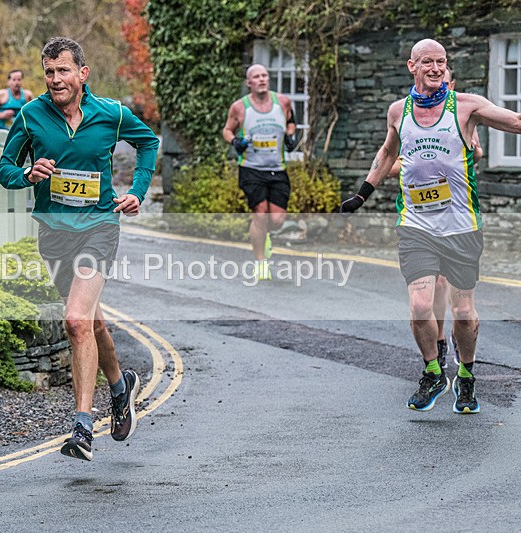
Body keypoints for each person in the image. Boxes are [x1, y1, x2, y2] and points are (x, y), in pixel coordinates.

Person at [0, 37, 160, 461]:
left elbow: (150, 144)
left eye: (63, 71)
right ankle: (121, 387)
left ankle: (83, 427)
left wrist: (137, 191)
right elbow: (5, 170)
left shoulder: (112, 114)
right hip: (54, 233)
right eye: (49, 72)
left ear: (82, 74)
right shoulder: (31, 117)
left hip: (100, 227)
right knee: (92, 323)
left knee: (74, 321)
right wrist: (28, 175)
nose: (55, 79)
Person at [340, 38, 521, 414]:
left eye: (441, 61)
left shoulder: (466, 105)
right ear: (412, 66)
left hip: (461, 226)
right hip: (417, 226)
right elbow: (388, 152)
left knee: (465, 314)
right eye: (428, 62)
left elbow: (515, 122)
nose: (437, 68)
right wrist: (362, 194)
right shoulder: (397, 111)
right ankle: (434, 370)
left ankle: (467, 376)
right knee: (421, 306)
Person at [387, 65, 484, 370]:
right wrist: (415, 163)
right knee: (433, 286)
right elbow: (390, 161)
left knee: (458, 297)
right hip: (420, 219)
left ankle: (458, 338)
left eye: (448, 79)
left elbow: (476, 152)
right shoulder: (406, 115)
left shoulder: (464, 113)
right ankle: (439, 341)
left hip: (456, 220)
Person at [222, 64, 298, 280]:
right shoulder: (239, 107)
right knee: (260, 214)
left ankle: (265, 237)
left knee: (277, 219)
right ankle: (260, 262)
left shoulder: (282, 102)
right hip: (251, 168)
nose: (262, 79)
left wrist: (291, 137)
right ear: (249, 83)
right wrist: (235, 141)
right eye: (256, 76)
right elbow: (227, 130)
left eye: (265, 75)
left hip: (277, 168)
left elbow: (291, 122)